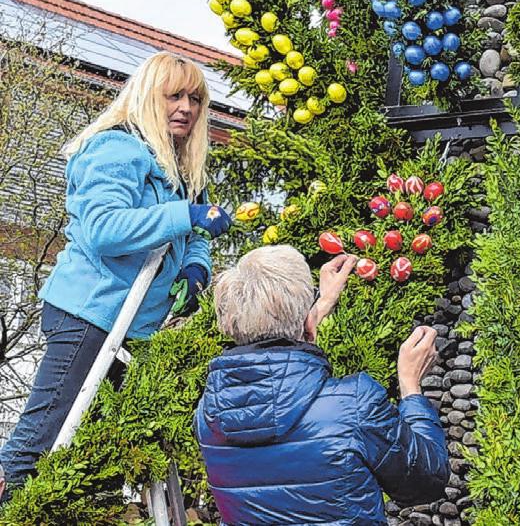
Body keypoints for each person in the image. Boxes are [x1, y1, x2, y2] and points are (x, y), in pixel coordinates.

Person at [0, 52, 231, 498]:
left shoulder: (181, 166)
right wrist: (185, 214)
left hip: (134, 326)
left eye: (195, 99)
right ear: (148, 96)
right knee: (44, 436)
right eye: (174, 96)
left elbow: (195, 231)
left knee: (104, 454)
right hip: (91, 311)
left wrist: (196, 266)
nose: (185, 107)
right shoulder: (116, 148)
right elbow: (105, 229)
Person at [195, 246, 449, 524]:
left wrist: (319, 306)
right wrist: (411, 387)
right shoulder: (353, 404)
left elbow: (273, 379)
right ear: (307, 322)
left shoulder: (209, 416)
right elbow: (426, 481)